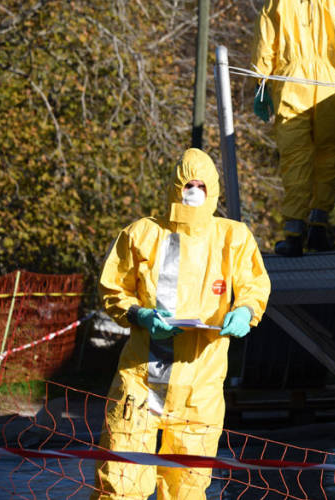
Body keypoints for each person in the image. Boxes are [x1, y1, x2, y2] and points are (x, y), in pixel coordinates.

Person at [92, 148, 270, 500]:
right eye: (188, 184)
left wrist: (246, 312)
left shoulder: (232, 237)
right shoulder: (142, 234)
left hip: (200, 387)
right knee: (120, 484)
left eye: (201, 185)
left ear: (213, 189)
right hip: (141, 384)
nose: (194, 191)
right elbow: (114, 288)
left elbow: (254, 285)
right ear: (175, 186)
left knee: (187, 489)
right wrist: (139, 315)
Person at [251, 0, 335, 256]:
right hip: (328, 84)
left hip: (289, 84)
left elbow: (265, 45)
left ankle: (292, 233)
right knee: (330, 153)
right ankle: (318, 225)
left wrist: (261, 83)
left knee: (294, 158)